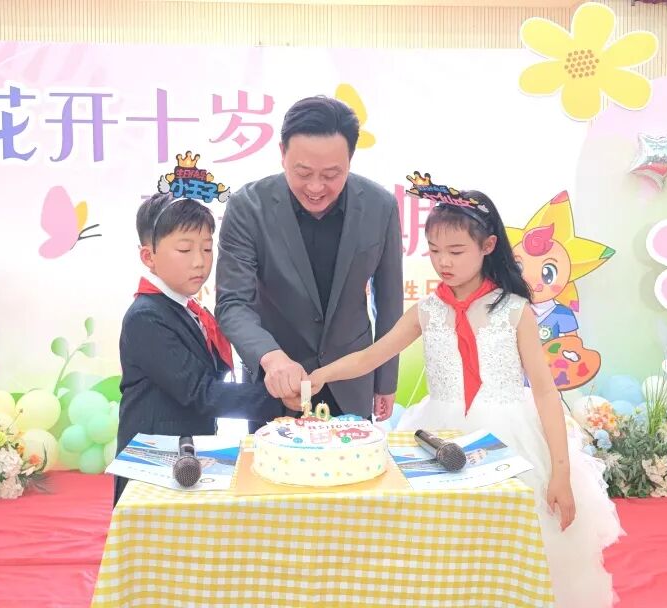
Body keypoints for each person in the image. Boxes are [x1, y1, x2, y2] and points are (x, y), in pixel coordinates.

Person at [307, 188, 622, 607]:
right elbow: (371, 356)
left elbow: (546, 392)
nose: (444, 262)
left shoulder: (514, 309)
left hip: (511, 436)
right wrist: (320, 376)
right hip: (439, 433)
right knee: (443, 544)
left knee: (517, 544)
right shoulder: (427, 310)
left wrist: (561, 472)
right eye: (435, 250)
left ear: (488, 246)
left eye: (456, 251)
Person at [215, 96, 404, 429]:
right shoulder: (248, 208)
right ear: (282, 153)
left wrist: (386, 380)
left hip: (351, 383)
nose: (316, 188)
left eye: (332, 174)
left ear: (350, 160)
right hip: (275, 384)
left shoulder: (381, 207)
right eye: (303, 173)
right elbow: (233, 303)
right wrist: (271, 358)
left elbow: (389, 300)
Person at [115, 193, 296, 504]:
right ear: (148, 257)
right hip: (155, 460)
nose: (200, 261)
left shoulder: (188, 309)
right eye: (185, 249)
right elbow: (200, 392)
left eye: (208, 248)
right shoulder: (146, 318)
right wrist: (278, 398)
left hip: (188, 452)